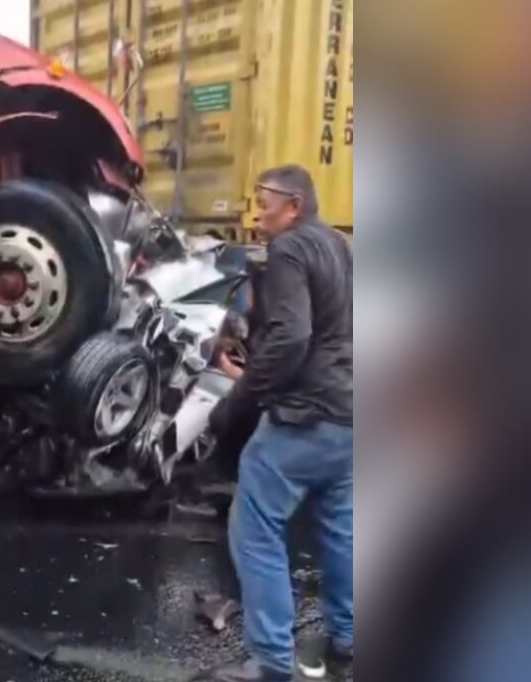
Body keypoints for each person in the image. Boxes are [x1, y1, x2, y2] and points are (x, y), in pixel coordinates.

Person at [196, 165, 353, 682]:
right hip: (351, 412)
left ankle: (270, 662)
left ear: (294, 206)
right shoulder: (340, 246)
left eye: (264, 200)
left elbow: (291, 336)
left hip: (303, 417)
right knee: (341, 526)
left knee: (256, 525)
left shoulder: (288, 250)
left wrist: (239, 400)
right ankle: (350, 636)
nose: (255, 209)